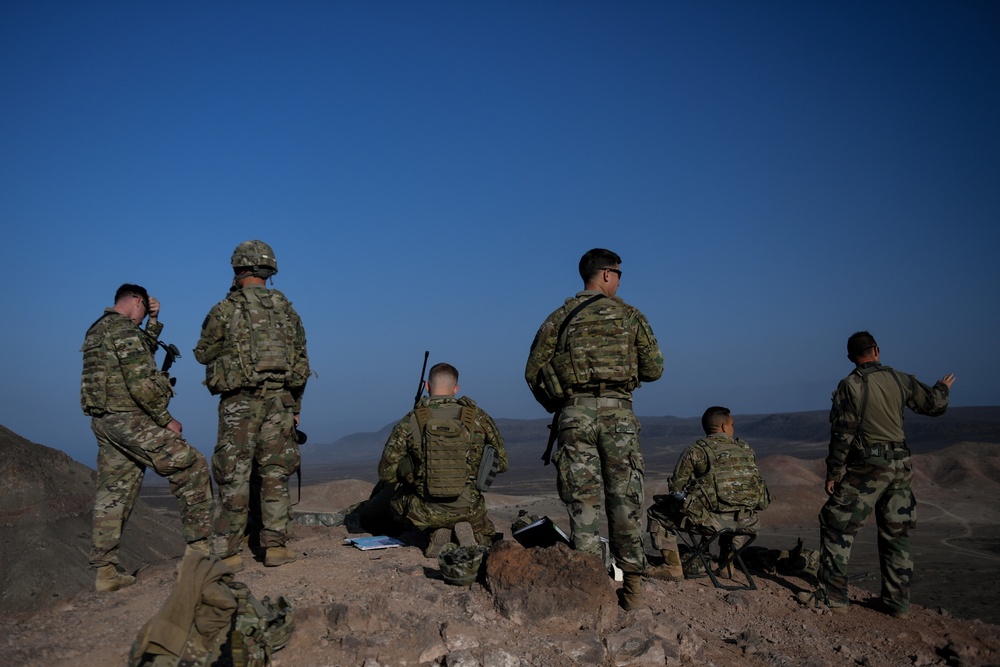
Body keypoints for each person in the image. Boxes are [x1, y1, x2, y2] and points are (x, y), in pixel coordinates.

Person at [525, 248, 663, 610]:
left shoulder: (559, 318)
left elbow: (533, 372)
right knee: (624, 499)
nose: (618, 281)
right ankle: (632, 590)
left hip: (575, 416)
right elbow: (653, 368)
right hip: (618, 416)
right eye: (618, 273)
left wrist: (562, 404)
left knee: (583, 502)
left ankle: (590, 590)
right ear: (605, 274)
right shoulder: (630, 316)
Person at [798, 331, 955, 618]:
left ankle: (834, 596)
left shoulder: (851, 385)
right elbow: (935, 405)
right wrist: (942, 388)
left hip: (870, 467)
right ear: (877, 350)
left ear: (850, 357)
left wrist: (834, 471)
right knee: (897, 533)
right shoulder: (900, 378)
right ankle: (897, 604)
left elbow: (842, 432)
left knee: (836, 524)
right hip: (902, 466)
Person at [81, 284, 213, 592]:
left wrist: (153, 323)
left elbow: (137, 356)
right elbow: (140, 381)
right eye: (142, 314)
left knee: (115, 491)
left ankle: (105, 571)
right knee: (192, 465)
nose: (141, 321)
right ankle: (198, 555)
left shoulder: (98, 330)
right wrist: (167, 421)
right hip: (129, 418)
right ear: (137, 301)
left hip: (105, 422)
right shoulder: (123, 330)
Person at [194, 241, 310, 571]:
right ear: (269, 270)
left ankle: (228, 553)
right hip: (280, 402)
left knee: (234, 474)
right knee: (274, 472)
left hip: (239, 403)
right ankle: (274, 547)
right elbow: (301, 362)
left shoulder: (225, 309)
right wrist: (294, 406)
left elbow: (203, 353)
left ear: (238, 269)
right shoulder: (288, 311)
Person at [377, 362, 508, 557]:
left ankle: (435, 530)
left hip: (426, 509)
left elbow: (386, 473)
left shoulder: (411, 420)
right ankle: (464, 532)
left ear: (427, 387)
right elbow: (502, 463)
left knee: (395, 502)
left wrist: (411, 471)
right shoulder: (479, 417)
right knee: (483, 534)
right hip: (469, 509)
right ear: (456, 389)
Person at [645, 406, 770, 581]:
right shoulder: (746, 450)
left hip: (712, 524)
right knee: (734, 506)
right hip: (748, 522)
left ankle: (672, 567)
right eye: (732, 424)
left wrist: (687, 500)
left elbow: (676, 489)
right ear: (724, 427)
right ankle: (728, 565)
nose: (733, 428)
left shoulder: (696, 451)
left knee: (656, 513)